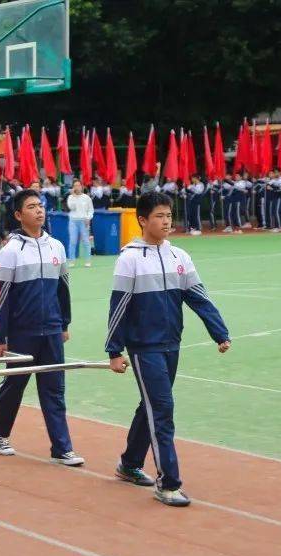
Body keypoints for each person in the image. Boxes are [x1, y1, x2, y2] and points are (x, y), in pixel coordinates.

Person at [105, 192, 231, 507]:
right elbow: (119, 307)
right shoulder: (130, 258)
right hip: (143, 346)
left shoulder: (180, 257)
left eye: (169, 215)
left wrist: (219, 332)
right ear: (143, 220)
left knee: (149, 406)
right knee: (162, 409)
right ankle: (168, 483)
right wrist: (114, 350)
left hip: (171, 344)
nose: (166, 221)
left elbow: (198, 297)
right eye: (159, 216)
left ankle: (130, 464)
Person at [0, 189, 84, 466]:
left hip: (52, 330)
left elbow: (63, 290)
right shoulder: (10, 252)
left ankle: (62, 448)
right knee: (14, 385)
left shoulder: (57, 247)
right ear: (19, 215)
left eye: (40, 206)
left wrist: (64, 323)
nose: (39, 210)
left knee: (54, 389)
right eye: (31, 207)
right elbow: (2, 296)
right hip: (22, 332)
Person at [65, 178, 93, 267]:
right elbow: (71, 207)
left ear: (82, 186)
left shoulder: (87, 197)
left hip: (84, 221)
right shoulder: (70, 197)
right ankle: (72, 260)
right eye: (75, 186)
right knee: (72, 241)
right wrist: (73, 195)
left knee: (86, 241)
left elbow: (90, 210)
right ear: (73, 187)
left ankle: (88, 260)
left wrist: (88, 218)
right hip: (73, 221)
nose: (77, 187)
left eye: (78, 185)